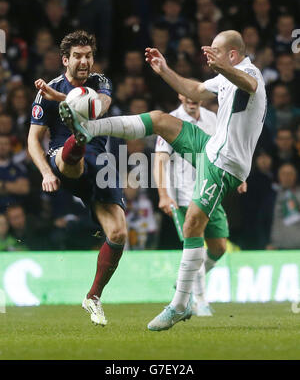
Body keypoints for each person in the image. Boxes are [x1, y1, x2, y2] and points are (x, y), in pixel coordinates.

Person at [58, 29, 266, 331]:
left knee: (196, 224)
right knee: (158, 119)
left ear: (232, 54)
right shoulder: (226, 75)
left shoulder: (248, 73)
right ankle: (91, 129)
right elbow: (194, 90)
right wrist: (165, 70)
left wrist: (222, 68)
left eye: (217, 52)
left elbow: (249, 83)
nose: (211, 55)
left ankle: (180, 304)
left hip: (226, 164)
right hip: (210, 147)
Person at [27, 30, 127, 327]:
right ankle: (78, 136)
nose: (84, 62)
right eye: (78, 57)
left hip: (101, 164)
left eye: (88, 56)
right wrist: (45, 172)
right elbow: (33, 140)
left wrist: (61, 100)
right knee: (74, 162)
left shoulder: (100, 82)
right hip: (62, 156)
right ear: (65, 60)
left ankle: (93, 297)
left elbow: (100, 107)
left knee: (119, 233)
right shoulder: (48, 89)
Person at [154, 93, 228, 316]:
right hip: (184, 196)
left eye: (196, 95)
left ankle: (184, 283)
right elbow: (160, 161)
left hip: (210, 190)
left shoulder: (212, 118)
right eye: (187, 94)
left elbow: (223, 151)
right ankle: (200, 300)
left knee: (219, 247)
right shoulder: (171, 120)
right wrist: (164, 195)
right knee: (196, 247)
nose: (192, 99)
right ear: (179, 96)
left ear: (202, 98)